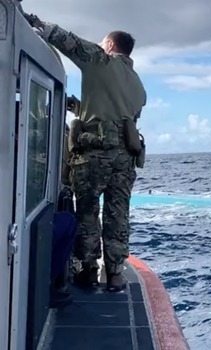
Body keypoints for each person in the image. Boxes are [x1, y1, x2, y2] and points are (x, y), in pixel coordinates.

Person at [24, 14, 147, 292]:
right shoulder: (139, 86)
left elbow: (70, 42)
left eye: (104, 43)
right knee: (118, 215)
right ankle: (115, 275)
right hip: (125, 159)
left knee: (88, 213)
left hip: (93, 156)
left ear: (111, 45)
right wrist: (78, 107)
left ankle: (88, 271)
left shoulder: (100, 59)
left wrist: (36, 23)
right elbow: (117, 114)